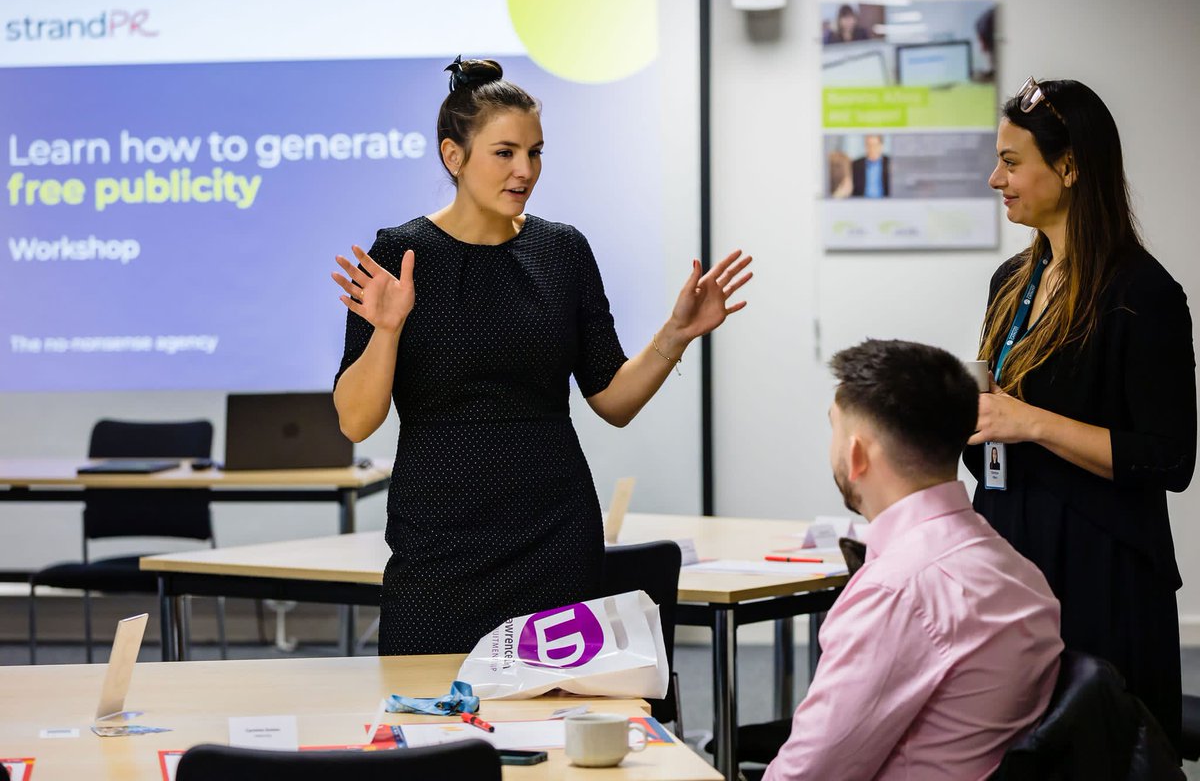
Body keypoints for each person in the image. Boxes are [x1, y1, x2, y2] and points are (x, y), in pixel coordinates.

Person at [329, 57, 753, 655]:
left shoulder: (563, 250)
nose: (525, 170)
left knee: (556, 714)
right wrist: (389, 329)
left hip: (554, 529)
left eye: (535, 153)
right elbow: (355, 419)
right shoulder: (401, 253)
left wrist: (677, 333)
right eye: (505, 153)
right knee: (430, 716)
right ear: (455, 157)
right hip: (438, 539)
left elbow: (613, 399)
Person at [965, 77, 1195, 751]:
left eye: (1011, 162)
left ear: (1068, 167)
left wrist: (1030, 422)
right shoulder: (1011, 282)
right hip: (1013, 549)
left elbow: (1168, 458)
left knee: (1098, 755)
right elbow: (997, 429)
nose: (994, 178)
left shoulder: (1142, 294)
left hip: (1103, 571)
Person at [764, 339, 1063, 781]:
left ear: (856, 455)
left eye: (835, 428)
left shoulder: (896, 593)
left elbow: (808, 774)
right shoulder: (1018, 571)